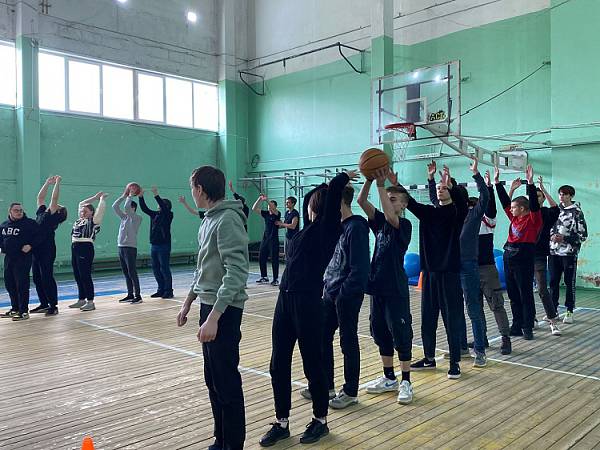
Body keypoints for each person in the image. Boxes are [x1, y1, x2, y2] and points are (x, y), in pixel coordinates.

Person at [259, 170, 358, 447]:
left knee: (312, 363)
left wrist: (341, 178)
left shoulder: (328, 229)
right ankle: (281, 422)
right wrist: (318, 192)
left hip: (308, 303)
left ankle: (320, 420)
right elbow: (309, 203)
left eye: (314, 202)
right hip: (284, 300)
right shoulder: (306, 230)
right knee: (278, 364)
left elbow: (332, 197)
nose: (310, 206)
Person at [177, 166, 249, 450]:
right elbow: (203, 267)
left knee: (226, 381)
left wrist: (215, 317)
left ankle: (233, 444)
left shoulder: (228, 219)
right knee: (214, 380)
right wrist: (188, 302)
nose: (191, 193)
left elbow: (237, 272)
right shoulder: (208, 219)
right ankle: (221, 440)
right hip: (208, 307)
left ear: (200, 190)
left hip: (225, 310)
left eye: (192, 188)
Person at [357, 168, 414, 404]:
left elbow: (391, 217)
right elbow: (361, 201)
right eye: (388, 199)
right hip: (377, 286)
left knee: (400, 333)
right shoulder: (379, 222)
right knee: (379, 331)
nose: (388, 202)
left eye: (393, 199)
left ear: (403, 205)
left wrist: (381, 186)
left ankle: (406, 381)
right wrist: (370, 179)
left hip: (395, 287)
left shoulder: (405, 225)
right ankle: (389, 377)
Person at [407, 164, 467, 380]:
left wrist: (452, 185)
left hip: (449, 273)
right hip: (430, 274)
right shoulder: (429, 213)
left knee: (452, 319)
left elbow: (461, 201)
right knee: (428, 318)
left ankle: (454, 362)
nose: (441, 190)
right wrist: (429, 180)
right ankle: (429, 358)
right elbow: (410, 203)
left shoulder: (457, 213)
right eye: (439, 189)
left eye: (444, 188)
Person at [320, 184, 370, 409]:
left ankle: (350, 391)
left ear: (339, 202)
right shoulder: (335, 228)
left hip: (346, 296)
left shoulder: (356, 228)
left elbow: (360, 268)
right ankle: (326, 386)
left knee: (347, 341)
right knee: (322, 338)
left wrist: (343, 294)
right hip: (329, 293)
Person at [494, 165, 542, 340]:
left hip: (524, 257)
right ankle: (516, 325)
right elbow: (505, 202)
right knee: (513, 294)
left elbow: (534, 205)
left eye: (514, 207)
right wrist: (497, 183)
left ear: (522, 208)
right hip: (509, 257)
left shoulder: (533, 219)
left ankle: (527, 327)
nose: (511, 209)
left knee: (525, 294)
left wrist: (530, 183)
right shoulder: (514, 218)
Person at [475, 170, 512, 354]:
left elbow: (490, 207)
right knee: (475, 308)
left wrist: (488, 187)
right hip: (469, 271)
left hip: (487, 270)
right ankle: (481, 338)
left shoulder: (487, 221)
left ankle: (505, 338)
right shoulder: (463, 225)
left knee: (496, 304)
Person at [549, 184, 588, 324]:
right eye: (560, 194)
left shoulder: (577, 212)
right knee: (553, 282)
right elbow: (549, 227)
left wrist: (564, 238)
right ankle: (553, 311)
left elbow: (583, 235)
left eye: (565, 194)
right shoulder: (555, 209)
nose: (562, 197)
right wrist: (551, 236)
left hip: (569, 254)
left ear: (571, 196)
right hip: (554, 252)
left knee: (569, 282)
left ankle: (569, 311)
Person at [31, 176, 68, 316]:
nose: (54, 205)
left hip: (47, 250)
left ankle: (53, 305)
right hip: (36, 249)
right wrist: (47, 183)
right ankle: (44, 304)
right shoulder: (42, 213)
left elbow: (54, 199)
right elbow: (40, 198)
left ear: (58, 211)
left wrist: (57, 183)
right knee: (36, 278)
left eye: (57, 206)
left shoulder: (52, 217)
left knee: (46, 277)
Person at [0, 202, 41, 321]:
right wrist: (2, 247)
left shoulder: (29, 224)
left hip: (22, 258)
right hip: (9, 258)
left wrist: (31, 245)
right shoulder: (4, 225)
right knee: (9, 284)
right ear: (10, 212)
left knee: (21, 284)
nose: (19, 212)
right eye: (16, 210)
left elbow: (41, 236)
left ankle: (23, 311)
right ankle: (15, 309)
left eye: (20, 210)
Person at [68, 192, 107, 312]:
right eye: (82, 211)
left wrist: (101, 200)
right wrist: (95, 197)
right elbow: (82, 203)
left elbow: (100, 210)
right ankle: (81, 299)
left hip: (85, 247)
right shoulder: (80, 220)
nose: (82, 212)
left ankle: (90, 301)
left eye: (85, 211)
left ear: (91, 212)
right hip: (75, 247)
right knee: (77, 275)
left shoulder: (93, 221)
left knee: (85, 275)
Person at [532, 177, 561, 335]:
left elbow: (555, 208)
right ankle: (531, 318)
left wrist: (543, 189)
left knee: (542, 288)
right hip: (523, 255)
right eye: (534, 196)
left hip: (539, 255)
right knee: (525, 290)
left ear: (542, 198)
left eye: (539, 196)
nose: (536, 198)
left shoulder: (546, 213)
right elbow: (509, 208)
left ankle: (553, 322)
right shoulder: (526, 212)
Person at [139, 186, 174, 299]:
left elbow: (163, 207)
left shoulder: (168, 215)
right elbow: (144, 209)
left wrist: (156, 195)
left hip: (164, 245)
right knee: (155, 268)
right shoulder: (155, 215)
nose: (158, 205)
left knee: (164, 268)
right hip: (154, 245)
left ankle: (168, 291)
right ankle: (161, 289)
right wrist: (141, 197)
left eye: (160, 203)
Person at [113, 186, 143, 304]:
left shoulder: (137, 218)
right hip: (121, 246)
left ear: (133, 208)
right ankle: (130, 294)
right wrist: (123, 196)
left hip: (130, 248)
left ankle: (138, 296)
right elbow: (114, 206)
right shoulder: (124, 217)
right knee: (126, 272)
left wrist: (130, 195)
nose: (125, 209)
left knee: (132, 272)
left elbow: (126, 206)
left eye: (129, 207)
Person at [252, 194, 281, 286]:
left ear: (275, 207)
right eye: (268, 206)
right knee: (261, 257)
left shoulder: (277, 214)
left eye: (271, 206)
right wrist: (259, 199)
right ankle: (264, 277)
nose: (269, 207)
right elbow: (254, 208)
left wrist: (267, 200)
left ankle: (275, 279)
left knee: (274, 259)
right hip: (265, 239)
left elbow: (273, 209)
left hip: (273, 240)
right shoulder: (266, 214)